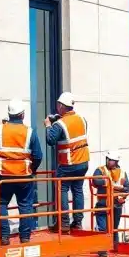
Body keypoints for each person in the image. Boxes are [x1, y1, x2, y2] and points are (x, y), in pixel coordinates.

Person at [0, 99, 43, 245]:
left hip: (4, 177)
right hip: (23, 177)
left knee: (1, 204)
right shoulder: (29, 132)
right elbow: (38, 155)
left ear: (9, 114)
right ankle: (25, 237)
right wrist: (32, 170)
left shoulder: (0, 130)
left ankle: (4, 236)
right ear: (22, 114)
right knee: (25, 206)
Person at [44, 92, 90, 233]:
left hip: (69, 163)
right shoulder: (82, 119)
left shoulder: (59, 124)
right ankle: (77, 222)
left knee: (62, 189)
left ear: (61, 106)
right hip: (83, 162)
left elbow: (50, 140)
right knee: (78, 190)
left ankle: (63, 222)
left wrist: (47, 125)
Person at [92, 150, 129, 256]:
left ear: (116, 161)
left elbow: (128, 188)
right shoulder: (100, 170)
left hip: (116, 204)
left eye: (112, 161)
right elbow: (95, 181)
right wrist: (110, 183)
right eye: (110, 160)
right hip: (103, 204)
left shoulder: (122, 173)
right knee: (103, 228)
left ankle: (114, 249)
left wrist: (119, 193)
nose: (110, 162)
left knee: (114, 228)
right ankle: (103, 249)